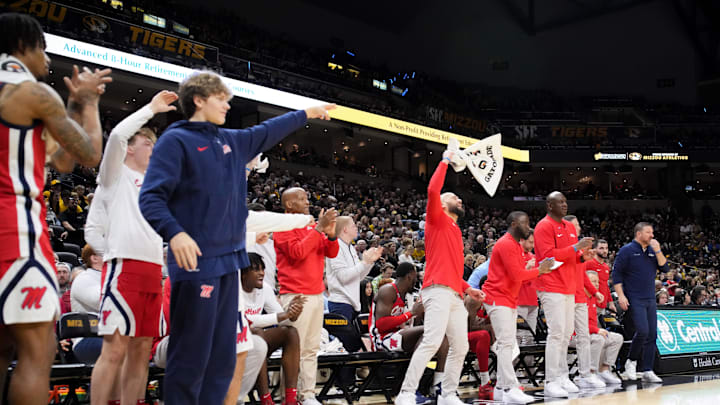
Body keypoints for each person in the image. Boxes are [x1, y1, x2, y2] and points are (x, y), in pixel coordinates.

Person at [139, 70, 335, 405]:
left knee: (224, 355)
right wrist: (175, 233)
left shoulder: (231, 141)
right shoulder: (176, 139)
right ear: (199, 100)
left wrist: (307, 113)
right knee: (192, 354)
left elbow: (268, 130)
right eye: (221, 98)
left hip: (229, 264)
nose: (227, 105)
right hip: (197, 262)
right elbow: (151, 197)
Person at [0, 12, 110, 405]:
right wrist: (89, 102)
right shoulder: (30, 91)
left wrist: (73, 105)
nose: (47, 60)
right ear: (24, 46)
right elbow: (88, 153)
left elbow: (60, 162)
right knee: (38, 351)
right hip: (13, 227)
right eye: (43, 49)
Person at [87, 90, 177, 405]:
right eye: (148, 143)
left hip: (154, 273)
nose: (153, 148)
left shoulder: (158, 185)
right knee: (114, 349)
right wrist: (151, 109)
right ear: (130, 150)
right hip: (123, 269)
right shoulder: (115, 173)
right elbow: (116, 137)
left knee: (141, 351)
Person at [394, 152, 484, 405]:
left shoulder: (455, 229)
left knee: (461, 346)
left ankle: (448, 394)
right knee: (432, 341)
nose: (460, 199)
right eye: (454, 197)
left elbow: (454, 270)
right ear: (442, 204)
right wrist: (445, 160)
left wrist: (469, 290)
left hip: (454, 293)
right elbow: (434, 188)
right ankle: (406, 393)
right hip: (437, 291)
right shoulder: (436, 218)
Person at [274, 187, 339, 405]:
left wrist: (331, 234)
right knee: (294, 349)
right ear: (289, 204)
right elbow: (297, 253)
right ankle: (288, 395)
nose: (307, 202)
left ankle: (308, 394)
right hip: (295, 294)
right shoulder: (282, 226)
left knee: (311, 349)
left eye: (306, 198)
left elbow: (331, 252)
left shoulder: (310, 226)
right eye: (301, 199)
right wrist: (319, 228)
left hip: (316, 292)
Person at [482, 211, 555, 403]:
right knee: (506, 343)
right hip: (498, 298)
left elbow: (517, 275)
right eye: (526, 222)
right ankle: (510, 387)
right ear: (514, 224)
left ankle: (499, 388)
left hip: (507, 298)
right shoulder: (506, 243)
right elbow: (517, 275)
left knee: (507, 343)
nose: (529, 226)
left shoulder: (514, 244)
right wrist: (540, 270)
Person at [534, 192, 593, 398]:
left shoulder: (569, 227)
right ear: (550, 205)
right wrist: (576, 247)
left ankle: (561, 376)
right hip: (550, 285)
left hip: (568, 286)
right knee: (557, 332)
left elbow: (573, 256)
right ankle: (551, 380)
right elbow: (549, 256)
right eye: (560, 202)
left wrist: (583, 256)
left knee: (567, 334)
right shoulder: (543, 226)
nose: (565, 205)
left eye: (566, 202)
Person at [372, 262, 449, 402]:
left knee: (440, 333)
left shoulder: (408, 295)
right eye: (415, 277)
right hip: (382, 339)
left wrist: (423, 313)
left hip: (400, 335)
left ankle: (438, 385)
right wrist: (412, 313)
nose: (416, 280)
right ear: (409, 276)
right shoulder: (388, 290)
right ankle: (412, 389)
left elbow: (411, 323)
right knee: (429, 332)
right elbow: (381, 325)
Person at [242, 253, 304, 405]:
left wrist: (293, 313)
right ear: (243, 273)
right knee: (256, 334)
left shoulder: (266, 289)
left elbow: (284, 319)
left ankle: (290, 399)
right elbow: (246, 322)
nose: (262, 273)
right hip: (233, 346)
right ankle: (266, 400)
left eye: (263, 269)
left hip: (255, 343)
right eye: (256, 269)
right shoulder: (233, 289)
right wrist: (284, 315)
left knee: (290, 333)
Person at [612, 222, 668, 383]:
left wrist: (657, 250)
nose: (652, 235)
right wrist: (621, 296)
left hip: (650, 297)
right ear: (639, 234)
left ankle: (648, 370)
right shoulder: (626, 250)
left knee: (652, 334)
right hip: (634, 298)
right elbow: (617, 275)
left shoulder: (652, 250)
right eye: (648, 232)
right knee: (642, 331)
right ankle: (631, 361)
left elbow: (665, 269)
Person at [326, 216, 383, 352]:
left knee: (352, 351)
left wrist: (369, 262)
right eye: (353, 225)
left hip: (351, 303)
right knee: (346, 352)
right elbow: (344, 277)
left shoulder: (350, 247)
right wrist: (365, 262)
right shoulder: (336, 247)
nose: (356, 227)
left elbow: (358, 277)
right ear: (345, 229)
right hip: (340, 304)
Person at [564, 215, 606, 389]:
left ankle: (585, 374)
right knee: (564, 337)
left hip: (580, 297)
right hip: (566, 296)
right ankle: (562, 376)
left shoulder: (580, 252)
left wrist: (595, 292)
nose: (579, 227)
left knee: (584, 337)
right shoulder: (566, 249)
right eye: (576, 225)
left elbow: (582, 276)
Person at [582, 271, 623, 384]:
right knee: (598, 338)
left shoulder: (593, 298)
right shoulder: (579, 298)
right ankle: (590, 373)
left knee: (617, 338)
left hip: (591, 333)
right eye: (593, 281)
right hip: (577, 336)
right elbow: (578, 325)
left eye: (597, 282)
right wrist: (596, 330)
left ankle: (604, 370)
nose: (596, 284)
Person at [584, 239, 616, 313]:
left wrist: (611, 303)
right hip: (590, 304)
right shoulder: (588, 263)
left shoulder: (606, 267)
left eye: (606, 248)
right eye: (601, 248)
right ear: (594, 250)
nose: (605, 251)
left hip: (603, 305)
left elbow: (606, 285)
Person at [516, 231, 538, 337]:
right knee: (519, 334)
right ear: (522, 240)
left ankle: (529, 355)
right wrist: (527, 268)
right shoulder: (515, 255)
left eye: (534, 243)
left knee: (531, 335)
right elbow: (514, 279)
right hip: (519, 300)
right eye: (530, 242)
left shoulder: (533, 256)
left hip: (533, 300)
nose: (533, 246)